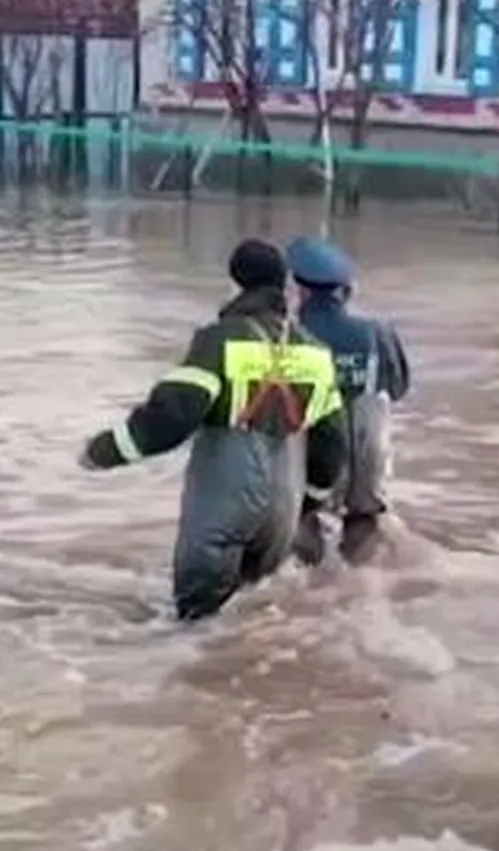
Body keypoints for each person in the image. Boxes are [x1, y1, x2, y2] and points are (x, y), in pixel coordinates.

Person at [78, 239, 349, 620]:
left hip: (225, 508)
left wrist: (103, 451)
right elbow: (332, 444)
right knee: (256, 618)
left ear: (236, 285)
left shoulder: (219, 341)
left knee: (194, 629)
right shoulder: (317, 355)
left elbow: (172, 416)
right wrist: (312, 501)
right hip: (283, 514)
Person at [281, 235, 412, 565]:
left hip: (315, 457)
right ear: (345, 291)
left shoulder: (289, 336)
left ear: (302, 291)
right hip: (368, 455)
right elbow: (398, 389)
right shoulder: (378, 332)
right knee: (363, 531)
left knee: (304, 524)